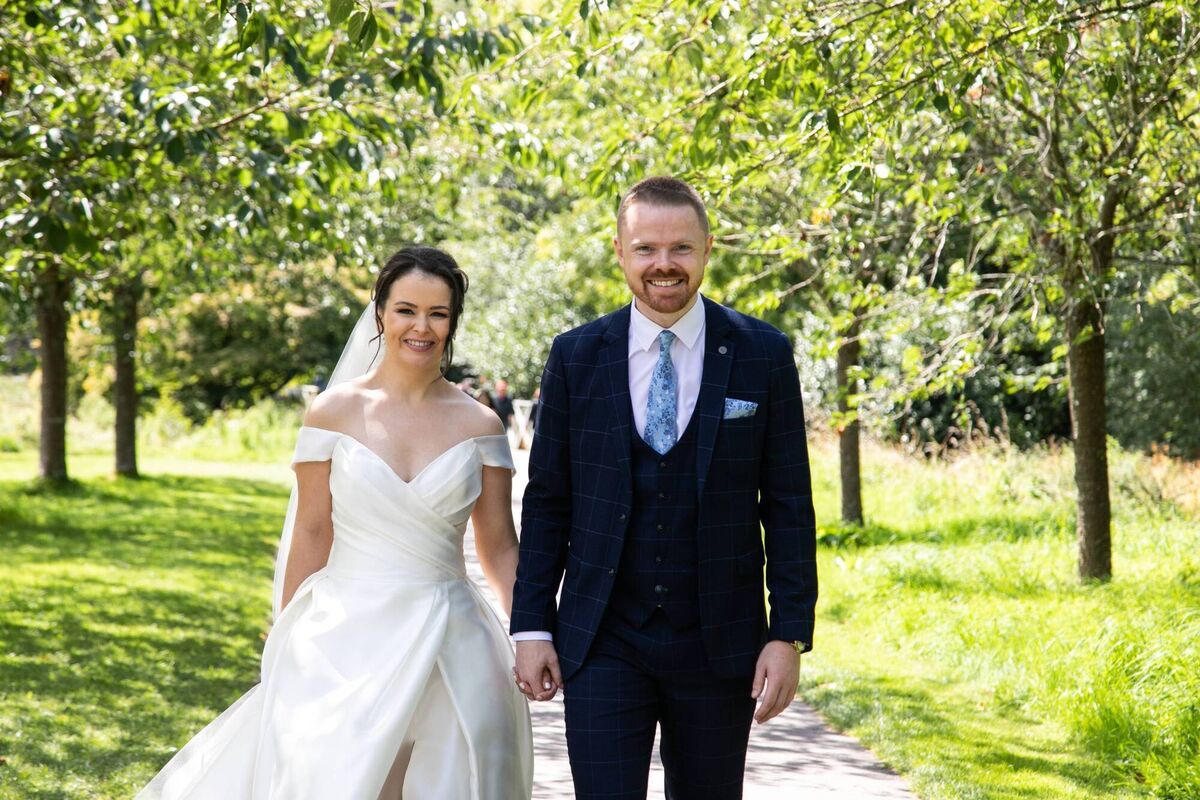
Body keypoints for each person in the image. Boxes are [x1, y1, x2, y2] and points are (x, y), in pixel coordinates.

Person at [139, 246, 533, 799]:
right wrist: (285, 635)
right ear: (380, 314)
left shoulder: (481, 424)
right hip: (344, 630)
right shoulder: (332, 413)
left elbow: (499, 548)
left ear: (453, 322)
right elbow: (312, 529)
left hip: (453, 637)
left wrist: (531, 635)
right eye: (406, 310)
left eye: (437, 314)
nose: (421, 327)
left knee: (455, 772)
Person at [510, 177, 817, 799]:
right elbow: (547, 502)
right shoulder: (575, 356)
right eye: (646, 248)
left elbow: (788, 507)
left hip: (720, 641)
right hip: (602, 638)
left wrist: (787, 634)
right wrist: (532, 628)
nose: (664, 264)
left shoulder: (764, 353)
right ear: (620, 252)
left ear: (707, 249)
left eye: (681, 248)